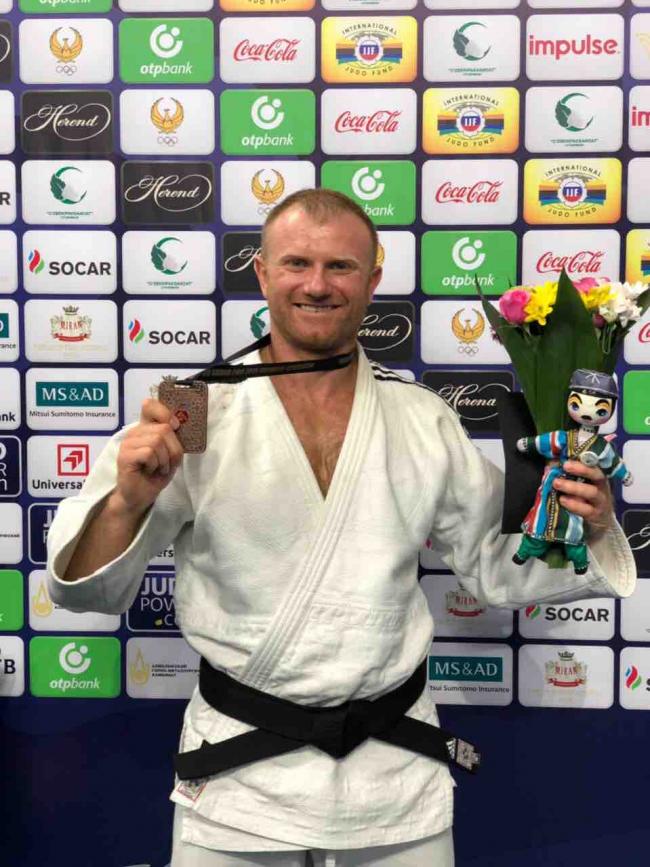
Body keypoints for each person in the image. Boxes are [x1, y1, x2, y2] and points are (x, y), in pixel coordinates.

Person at [47, 189, 636, 867]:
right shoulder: (193, 407)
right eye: (296, 263)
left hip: (392, 775)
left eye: (341, 266)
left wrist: (586, 524)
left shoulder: (419, 415)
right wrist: (127, 502)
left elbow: (497, 564)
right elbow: (81, 589)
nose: (317, 284)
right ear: (262, 271)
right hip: (238, 780)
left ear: (373, 278)